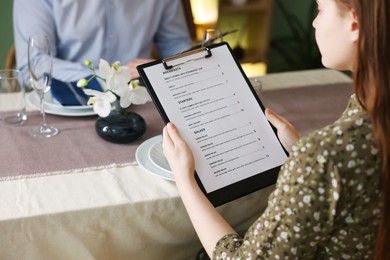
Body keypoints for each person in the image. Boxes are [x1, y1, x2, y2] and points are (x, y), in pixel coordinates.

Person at [162, 0, 390, 258]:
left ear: (354, 24)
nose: (314, 22)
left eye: (320, 9)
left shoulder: (325, 154)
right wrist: (300, 153)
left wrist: (185, 179)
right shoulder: (365, 109)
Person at [13, 0, 192, 88]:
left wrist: (180, 68)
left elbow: (175, 45)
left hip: (143, 100)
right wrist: (112, 77)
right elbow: (33, 65)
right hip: (69, 104)